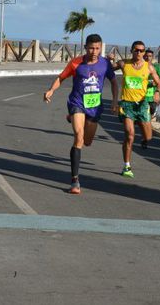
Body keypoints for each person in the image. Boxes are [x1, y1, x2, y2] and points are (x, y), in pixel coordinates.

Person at [44, 34, 118, 194]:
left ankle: (72, 118)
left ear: (101, 48)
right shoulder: (76, 63)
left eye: (97, 48)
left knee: (88, 141)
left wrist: (114, 100)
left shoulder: (105, 64)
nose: (94, 51)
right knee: (79, 137)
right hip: (77, 103)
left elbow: (113, 81)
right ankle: (75, 181)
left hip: (94, 107)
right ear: (85, 47)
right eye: (91, 48)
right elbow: (61, 78)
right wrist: (51, 90)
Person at [114, 41, 160, 178]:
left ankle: (144, 140)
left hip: (142, 105)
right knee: (129, 135)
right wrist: (107, 60)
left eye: (142, 51)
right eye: (136, 50)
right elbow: (107, 69)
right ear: (132, 50)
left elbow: (159, 82)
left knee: (148, 136)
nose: (139, 53)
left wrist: (157, 92)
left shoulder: (149, 67)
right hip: (127, 105)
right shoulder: (124, 64)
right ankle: (126, 166)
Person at [143, 49, 160, 120]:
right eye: (146, 56)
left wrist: (157, 85)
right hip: (141, 94)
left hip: (152, 94)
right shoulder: (139, 66)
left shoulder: (156, 67)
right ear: (143, 56)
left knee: (152, 110)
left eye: (150, 56)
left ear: (152, 57)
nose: (147, 58)